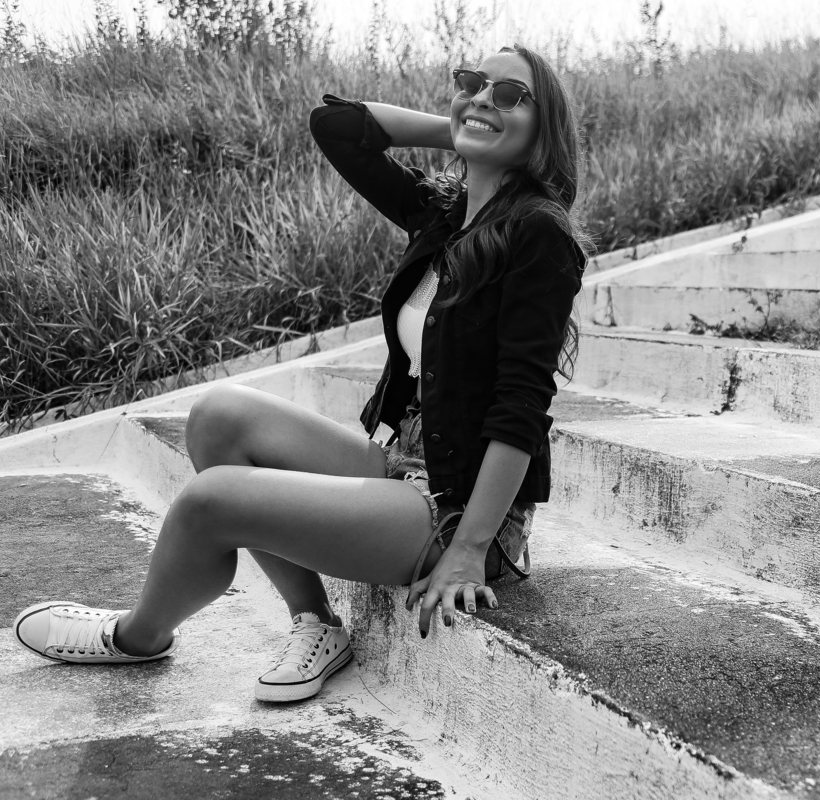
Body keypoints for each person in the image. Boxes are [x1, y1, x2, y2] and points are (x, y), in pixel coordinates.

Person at [12, 44, 589, 703]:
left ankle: (138, 636)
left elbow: (522, 404)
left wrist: (470, 546)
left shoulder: (538, 231)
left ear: (545, 127)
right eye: (471, 83)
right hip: (404, 459)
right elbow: (337, 127)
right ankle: (315, 623)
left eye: (510, 95)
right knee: (218, 416)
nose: (483, 96)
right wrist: (469, 126)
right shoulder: (446, 212)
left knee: (211, 501)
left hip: (456, 509)